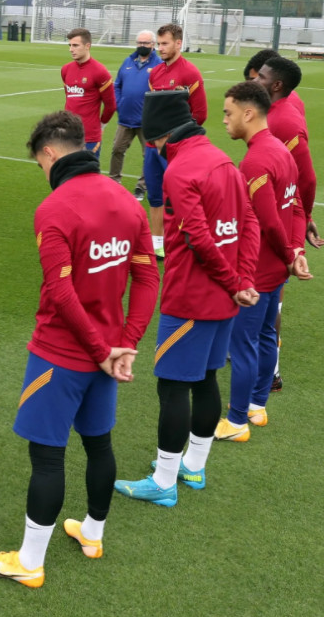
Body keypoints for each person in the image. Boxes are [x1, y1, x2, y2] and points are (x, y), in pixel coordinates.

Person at [0, 111, 157, 589]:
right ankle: (92, 535)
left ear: (50, 154)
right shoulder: (126, 200)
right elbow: (146, 276)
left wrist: (102, 348)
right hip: (109, 354)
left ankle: (30, 562)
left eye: (39, 164)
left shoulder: (54, 209)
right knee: (99, 445)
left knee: (49, 457)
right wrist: (125, 344)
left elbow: (60, 293)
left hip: (61, 354)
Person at [114, 90, 259, 508]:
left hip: (192, 298)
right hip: (225, 298)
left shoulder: (180, 170)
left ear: (158, 137)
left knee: (174, 386)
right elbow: (248, 222)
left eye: (151, 142)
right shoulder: (222, 159)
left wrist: (234, 280)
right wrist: (242, 279)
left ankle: (163, 481)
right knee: (208, 378)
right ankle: (194, 466)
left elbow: (197, 238)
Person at [215, 82, 309, 443]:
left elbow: (269, 222)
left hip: (256, 270)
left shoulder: (254, 160)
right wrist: (296, 251)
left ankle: (237, 421)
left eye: (228, 113)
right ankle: (257, 406)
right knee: (267, 336)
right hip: (277, 269)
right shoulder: (281, 151)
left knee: (243, 345)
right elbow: (297, 205)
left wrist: (289, 253)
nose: (224, 120)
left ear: (248, 114)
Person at [255, 56, 317, 394]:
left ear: (276, 85)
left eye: (260, 77)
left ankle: (270, 375)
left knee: (272, 295)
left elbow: (306, 179)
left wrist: (303, 220)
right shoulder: (280, 111)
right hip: (278, 216)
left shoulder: (284, 124)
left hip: (277, 223)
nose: (256, 82)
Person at [144, 23, 206, 259]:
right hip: (152, 148)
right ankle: (157, 243)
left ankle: (184, 239)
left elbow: (200, 114)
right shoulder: (156, 72)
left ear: (178, 43)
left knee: (180, 196)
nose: (159, 48)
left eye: (164, 44)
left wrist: (178, 139)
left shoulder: (191, 73)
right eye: (158, 44)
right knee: (155, 196)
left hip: (177, 149)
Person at [110, 30, 160, 198]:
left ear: (153, 45)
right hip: (125, 117)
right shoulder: (128, 61)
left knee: (148, 155)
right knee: (117, 149)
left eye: (145, 43)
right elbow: (117, 85)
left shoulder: (159, 64)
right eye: (139, 43)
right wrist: (119, 103)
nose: (142, 46)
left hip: (147, 121)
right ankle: (114, 181)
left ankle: (142, 187)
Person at [60, 28, 116, 157]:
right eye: (70, 45)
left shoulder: (100, 71)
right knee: (67, 174)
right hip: (68, 134)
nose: (71, 49)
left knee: (88, 175)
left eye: (75, 45)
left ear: (87, 46)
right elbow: (69, 98)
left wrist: (101, 126)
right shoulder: (66, 70)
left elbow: (111, 105)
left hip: (89, 137)